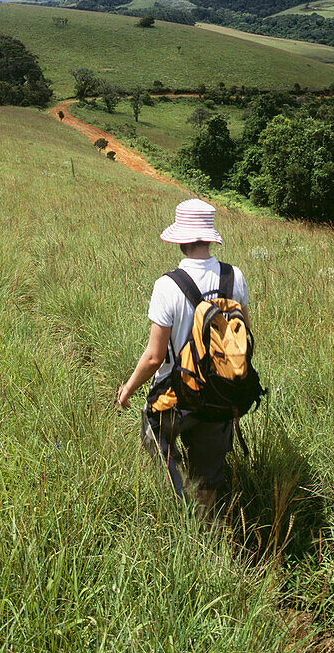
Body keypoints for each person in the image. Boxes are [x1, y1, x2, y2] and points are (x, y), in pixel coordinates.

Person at [117, 198, 250, 509]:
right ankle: (205, 526)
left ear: (181, 240)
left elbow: (154, 357)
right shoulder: (235, 278)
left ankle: (176, 506)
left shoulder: (167, 286)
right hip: (220, 395)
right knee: (208, 477)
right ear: (208, 236)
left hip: (175, 396)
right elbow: (244, 335)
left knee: (156, 440)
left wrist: (127, 389)